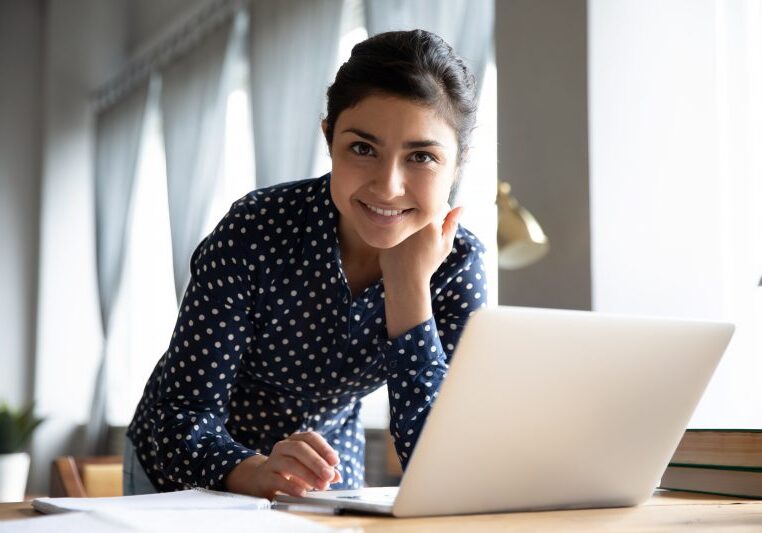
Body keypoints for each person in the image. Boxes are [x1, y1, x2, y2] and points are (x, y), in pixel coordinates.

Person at [124, 29, 488, 499]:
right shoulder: (256, 228)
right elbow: (181, 417)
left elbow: (440, 462)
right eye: (362, 148)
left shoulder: (457, 266)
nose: (388, 186)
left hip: (326, 474)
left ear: (458, 164)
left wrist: (408, 286)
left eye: (422, 156)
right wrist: (253, 470)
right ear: (329, 138)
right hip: (186, 468)